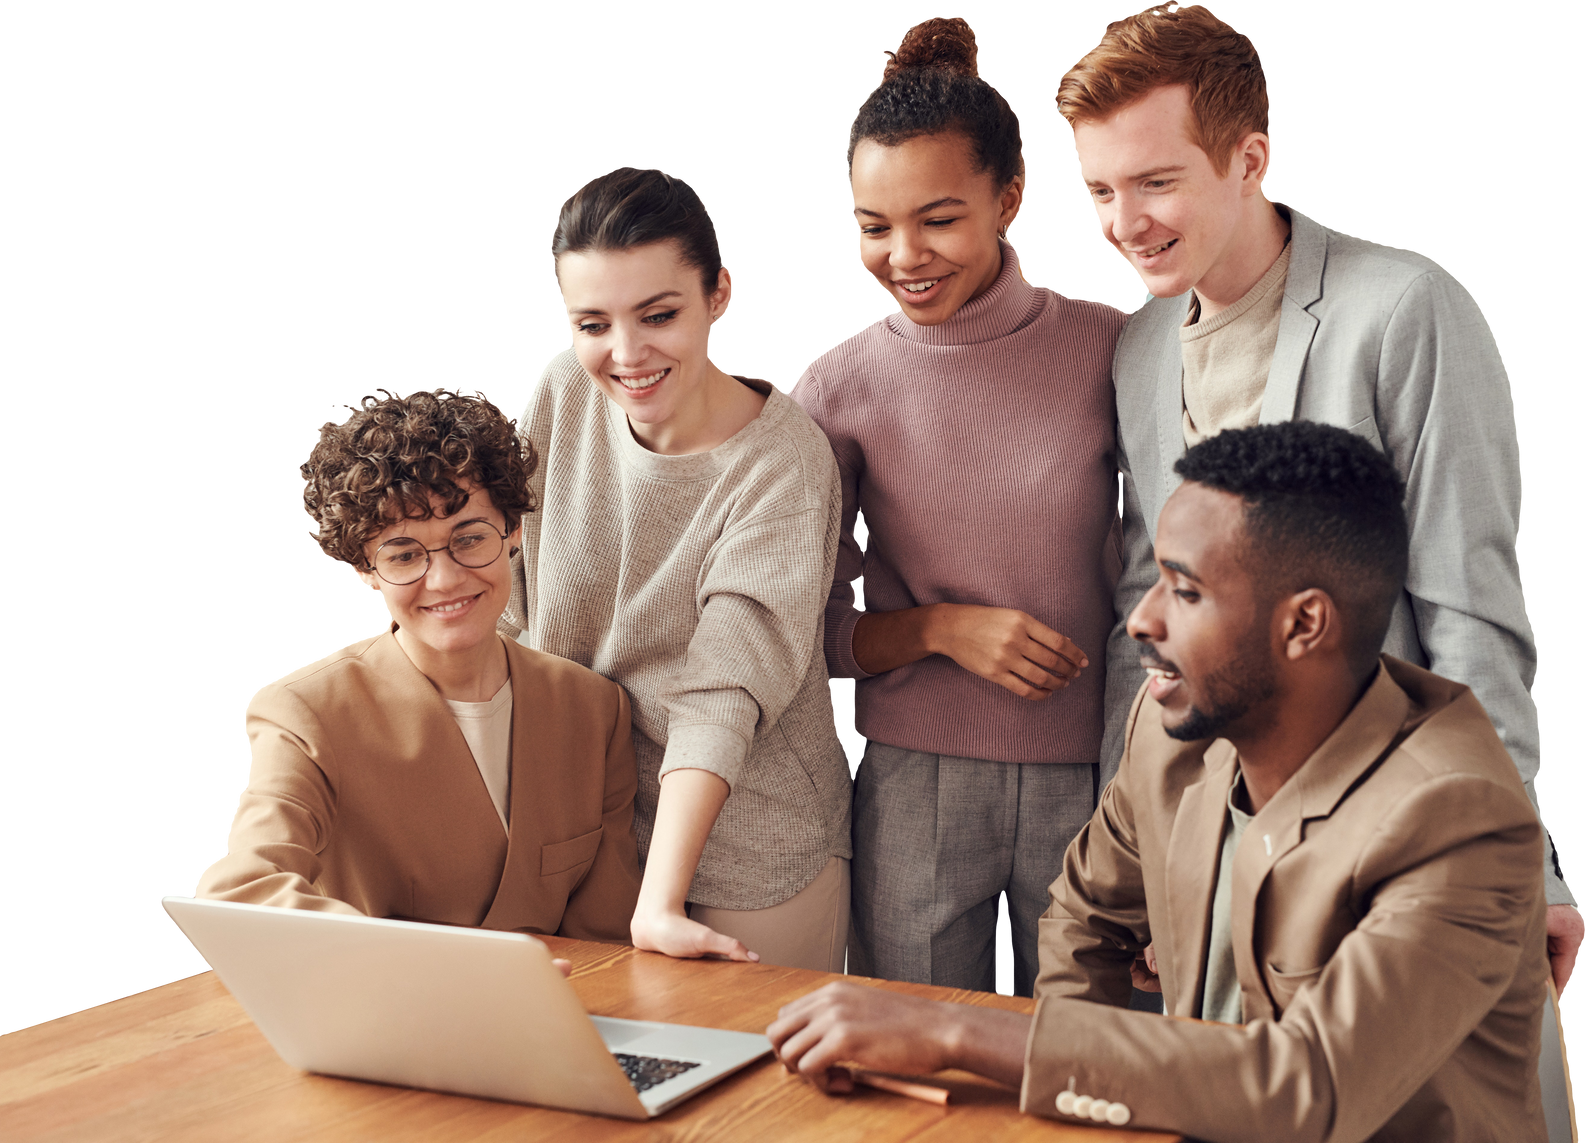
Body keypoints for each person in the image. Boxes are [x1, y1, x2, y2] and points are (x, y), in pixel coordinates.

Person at [769, 421, 1550, 1142]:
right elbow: (1083, 916)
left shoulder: (1457, 815)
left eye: (1183, 590)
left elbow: (1310, 1085)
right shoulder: (1173, 732)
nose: (1140, 619)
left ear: (1303, 624)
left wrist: (957, 1030)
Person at [1060, 0, 1582, 990]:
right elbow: (1151, 627)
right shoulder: (1136, 348)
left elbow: (1470, 611)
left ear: (1249, 161)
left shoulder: (1399, 311)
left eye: (1154, 182)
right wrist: (1143, 872)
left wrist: (1533, 863)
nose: (1121, 223)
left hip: (1396, 821)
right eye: (1097, 190)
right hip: (1217, 842)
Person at [790, 16, 1127, 994]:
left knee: (1094, 1051)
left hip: (1095, 778)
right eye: (872, 225)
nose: (905, 254)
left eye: (937, 218)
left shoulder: (1116, 353)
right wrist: (939, 629)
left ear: (1007, 198)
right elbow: (812, 631)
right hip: (909, 782)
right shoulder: (834, 389)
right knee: (918, 1066)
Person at [500, 166, 851, 971]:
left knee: (758, 1088)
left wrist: (659, 898)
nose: (626, 355)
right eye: (592, 323)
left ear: (717, 292)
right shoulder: (562, 392)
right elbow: (505, 594)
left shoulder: (783, 459)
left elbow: (725, 684)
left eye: (659, 314)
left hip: (750, 845)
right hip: (589, 826)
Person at [197, 388, 641, 943]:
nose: (446, 579)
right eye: (405, 554)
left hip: (569, 1017)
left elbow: (607, 934)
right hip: (385, 1020)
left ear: (514, 532)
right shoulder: (303, 712)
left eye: (469, 539)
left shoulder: (595, 709)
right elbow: (244, 892)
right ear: (363, 570)